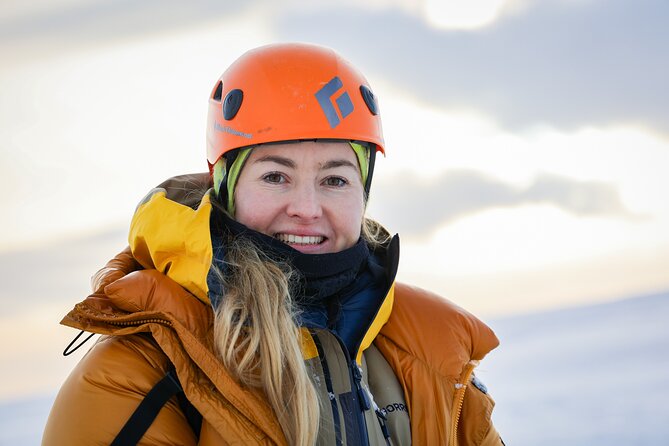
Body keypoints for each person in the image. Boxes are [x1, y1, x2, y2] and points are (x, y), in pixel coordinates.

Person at [42, 43, 503, 445]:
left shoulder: (432, 351)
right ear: (225, 189)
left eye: (335, 178)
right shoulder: (138, 377)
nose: (307, 207)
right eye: (275, 176)